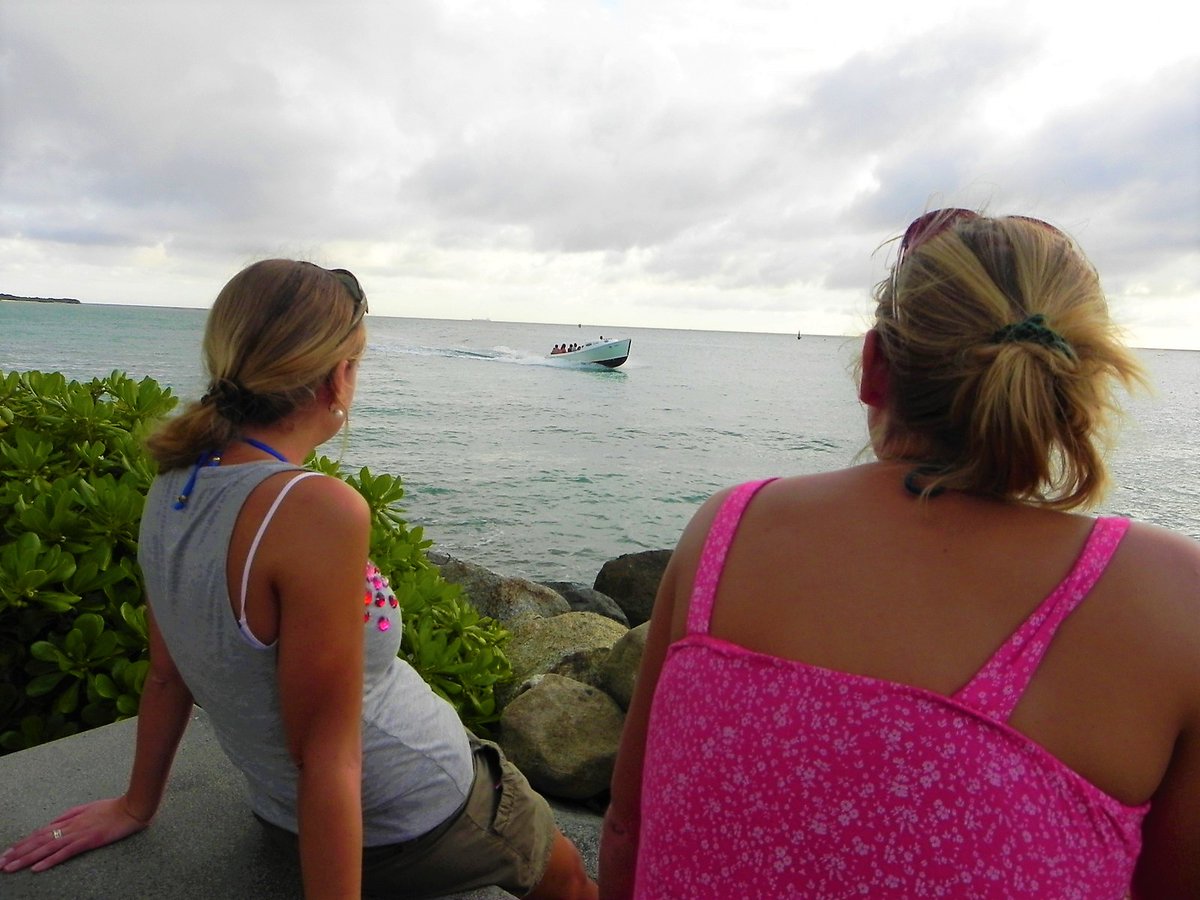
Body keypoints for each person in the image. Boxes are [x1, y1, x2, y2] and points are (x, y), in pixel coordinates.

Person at [599, 210, 1200, 898]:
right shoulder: (1169, 599)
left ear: (874, 367)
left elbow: (624, 832)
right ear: (1080, 388)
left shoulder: (726, 531)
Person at [0, 260, 597, 900]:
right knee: (568, 877)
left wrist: (136, 805)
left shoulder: (178, 481)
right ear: (338, 375)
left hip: (290, 809)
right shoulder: (312, 508)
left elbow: (168, 674)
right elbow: (326, 756)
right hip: (414, 814)